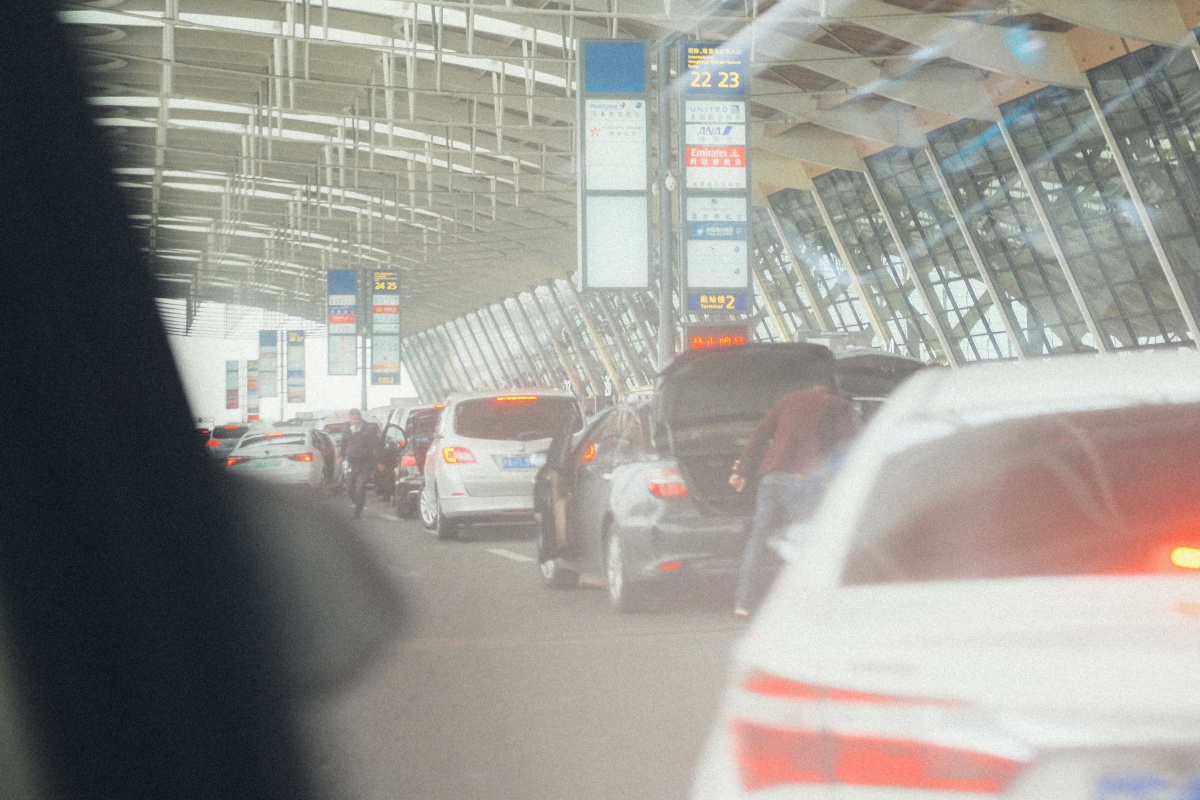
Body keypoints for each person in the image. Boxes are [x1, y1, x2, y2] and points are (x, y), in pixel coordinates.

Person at [729, 383, 857, 618]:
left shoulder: (787, 400)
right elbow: (851, 449)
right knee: (806, 543)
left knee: (758, 539)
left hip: (772, 478)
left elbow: (759, 436)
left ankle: (742, 603)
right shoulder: (839, 406)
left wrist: (741, 471)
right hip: (807, 481)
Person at [342, 409, 380, 518]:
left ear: (360, 418)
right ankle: (358, 502)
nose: (355, 421)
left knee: (360, 486)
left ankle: (358, 508)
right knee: (349, 488)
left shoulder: (369, 429)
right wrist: (341, 456)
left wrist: (379, 461)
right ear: (349, 419)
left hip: (366, 462)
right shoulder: (346, 429)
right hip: (352, 463)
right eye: (353, 419)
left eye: (357, 418)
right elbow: (344, 443)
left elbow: (376, 445)